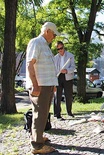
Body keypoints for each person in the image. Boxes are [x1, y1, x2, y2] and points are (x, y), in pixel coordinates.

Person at [26, 22, 60, 154]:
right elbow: (30, 64)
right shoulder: (36, 42)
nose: (55, 36)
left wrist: (53, 84)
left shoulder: (45, 45)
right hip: (40, 86)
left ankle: (37, 136)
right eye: (54, 33)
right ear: (47, 31)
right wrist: (35, 85)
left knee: (43, 114)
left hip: (47, 85)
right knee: (39, 115)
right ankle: (37, 146)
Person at [54, 41, 76, 120]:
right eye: (58, 49)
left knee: (68, 95)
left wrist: (66, 70)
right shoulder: (55, 58)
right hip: (58, 77)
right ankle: (57, 114)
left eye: (61, 48)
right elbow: (54, 69)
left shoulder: (70, 56)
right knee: (57, 96)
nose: (60, 50)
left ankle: (69, 112)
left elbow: (73, 67)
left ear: (64, 47)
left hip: (68, 77)